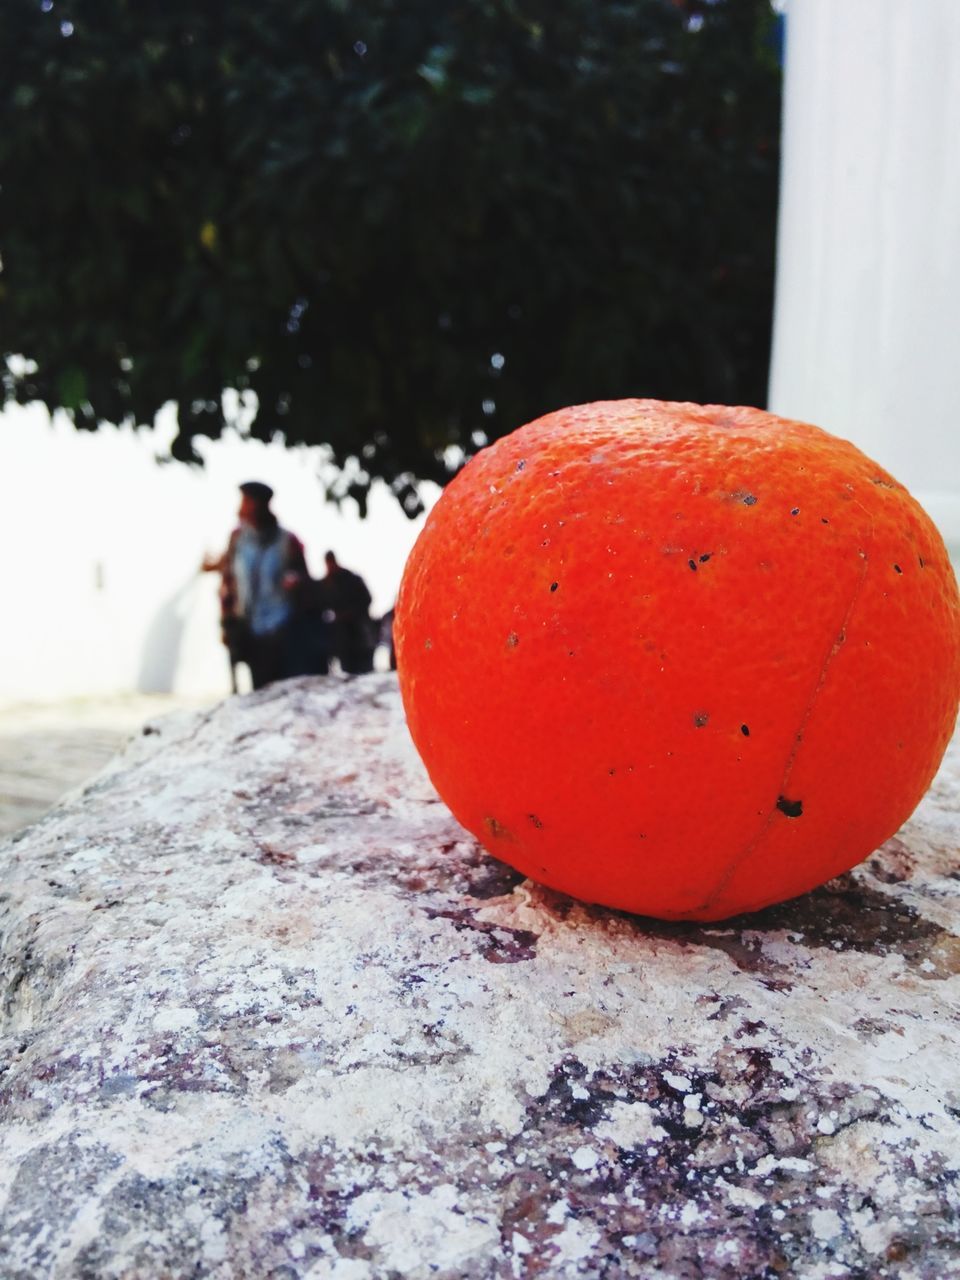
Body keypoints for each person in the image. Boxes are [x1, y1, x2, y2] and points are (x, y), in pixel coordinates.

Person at [202, 482, 309, 690]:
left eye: (246, 502)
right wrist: (225, 622)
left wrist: (295, 582)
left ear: (261, 505)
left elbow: (304, 581)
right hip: (248, 628)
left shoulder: (288, 541)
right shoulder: (237, 539)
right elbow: (228, 582)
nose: (240, 508)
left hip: (280, 630)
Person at [323, 551, 375, 675]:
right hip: (343, 636)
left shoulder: (351, 579)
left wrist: (350, 614)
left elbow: (367, 599)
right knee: (348, 669)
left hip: (358, 631)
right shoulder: (328, 582)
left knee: (363, 669)